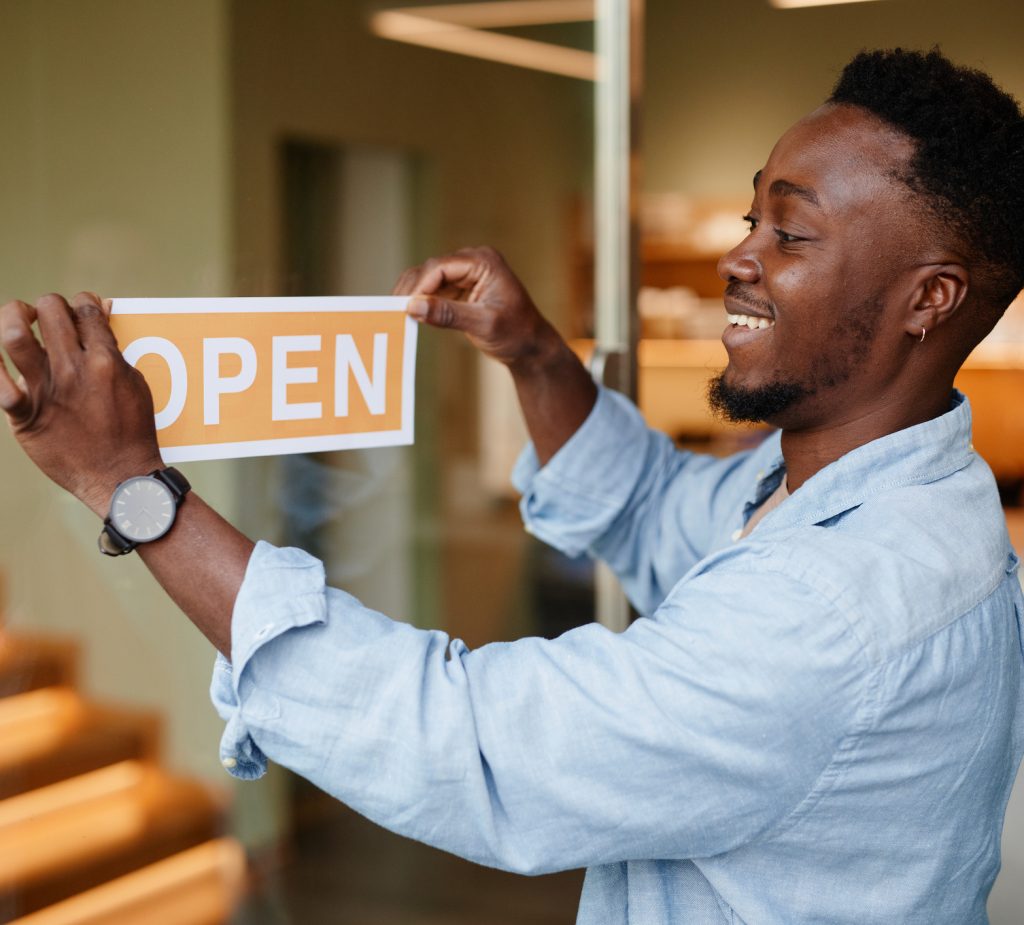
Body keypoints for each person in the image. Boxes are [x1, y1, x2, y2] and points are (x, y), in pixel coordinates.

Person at [1, 47, 1023, 923]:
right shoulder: (866, 489)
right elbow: (658, 508)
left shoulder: (836, 605)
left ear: (926, 298)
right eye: (751, 213)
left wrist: (131, 486)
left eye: (788, 234)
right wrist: (534, 353)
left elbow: (475, 747)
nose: (736, 257)